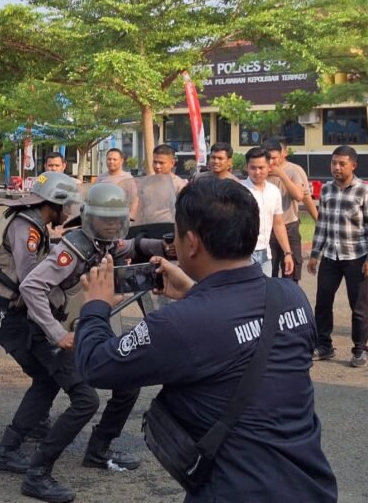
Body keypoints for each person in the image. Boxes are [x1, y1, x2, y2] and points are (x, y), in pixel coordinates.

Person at [74, 177, 337, 502]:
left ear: (192, 243)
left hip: (235, 491)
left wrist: (95, 306)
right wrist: (196, 294)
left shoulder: (179, 323)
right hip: (309, 485)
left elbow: (96, 364)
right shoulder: (291, 295)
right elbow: (236, 330)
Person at [17, 183, 172, 502]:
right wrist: (57, 333)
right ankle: (37, 473)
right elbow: (31, 286)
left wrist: (162, 247)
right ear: (90, 218)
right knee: (86, 401)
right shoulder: (72, 249)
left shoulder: (105, 242)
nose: (113, 225)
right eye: (106, 219)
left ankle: (99, 450)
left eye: (117, 219)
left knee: (128, 383)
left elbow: (130, 246)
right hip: (57, 332)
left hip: (82, 327)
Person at [0, 172, 81, 475]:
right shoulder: (27, 227)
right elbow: (30, 278)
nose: (69, 211)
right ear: (54, 203)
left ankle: (34, 424)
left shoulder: (29, 221)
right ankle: (7, 450)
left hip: (1, 307)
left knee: (45, 374)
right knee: (47, 376)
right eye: (67, 204)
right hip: (1, 311)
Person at [308, 145, 368, 368]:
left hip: (356, 256)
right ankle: (324, 345)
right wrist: (315, 253)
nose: (336, 167)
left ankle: (360, 349)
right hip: (331, 255)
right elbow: (322, 223)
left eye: (342, 164)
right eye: (334, 163)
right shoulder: (327, 190)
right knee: (323, 303)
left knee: (358, 306)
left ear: (353, 165)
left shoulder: (365, 190)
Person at [263, 139, 312, 283]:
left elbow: (299, 196)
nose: (271, 162)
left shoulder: (293, 170)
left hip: (289, 227)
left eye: (274, 158)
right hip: (267, 229)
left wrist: (282, 175)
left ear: (282, 155)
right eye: (267, 158)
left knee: (291, 274)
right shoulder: (260, 172)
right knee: (268, 275)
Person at [241, 147, 294, 277]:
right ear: (247, 167)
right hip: (243, 254)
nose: (257, 172)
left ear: (269, 167)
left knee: (265, 288)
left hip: (265, 254)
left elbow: (278, 224)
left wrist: (287, 253)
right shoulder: (239, 190)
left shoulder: (273, 191)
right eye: (253, 168)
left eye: (261, 167)